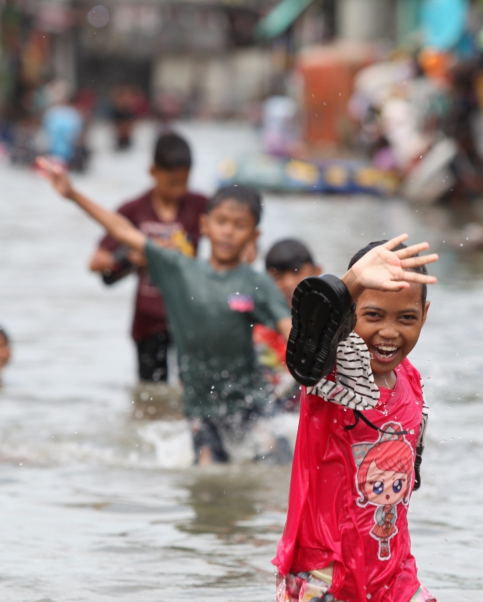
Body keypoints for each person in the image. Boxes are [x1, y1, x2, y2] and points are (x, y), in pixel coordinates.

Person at [37, 157, 292, 465]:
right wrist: (72, 194)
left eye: (240, 226)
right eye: (222, 222)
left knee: (278, 468)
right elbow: (124, 231)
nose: (228, 232)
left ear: (254, 236)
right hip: (202, 409)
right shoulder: (178, 270)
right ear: (204, 226)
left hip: (253, 404)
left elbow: (288, 327)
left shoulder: (256, 284)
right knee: (209, 481)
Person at [274, 235, 439, 602]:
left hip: (393, 574)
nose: (389, 332)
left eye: (406, 317)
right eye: (373, 315)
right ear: (348, 317)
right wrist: (349, 284)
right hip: (323, 574)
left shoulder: (410, 379)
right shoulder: (331, 373)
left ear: (424, 317)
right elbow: (306, 342)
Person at [89, 132, 208, 385]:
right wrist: (137, 257)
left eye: (184, 182)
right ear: (153, 171)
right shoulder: (133, 210)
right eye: (171, 182)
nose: (179, 190)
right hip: (148, 322)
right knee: (151, 395)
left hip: (190, 317)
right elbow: (96, 262)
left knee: (194, 388)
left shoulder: (201, 206)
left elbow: (231, 234)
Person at [255, 239, 323, 409]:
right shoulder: (258, 330)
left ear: (318, 271)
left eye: (296, 273)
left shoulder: (331, 321)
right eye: (278, 277)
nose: (288, 283)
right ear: (265, 284)